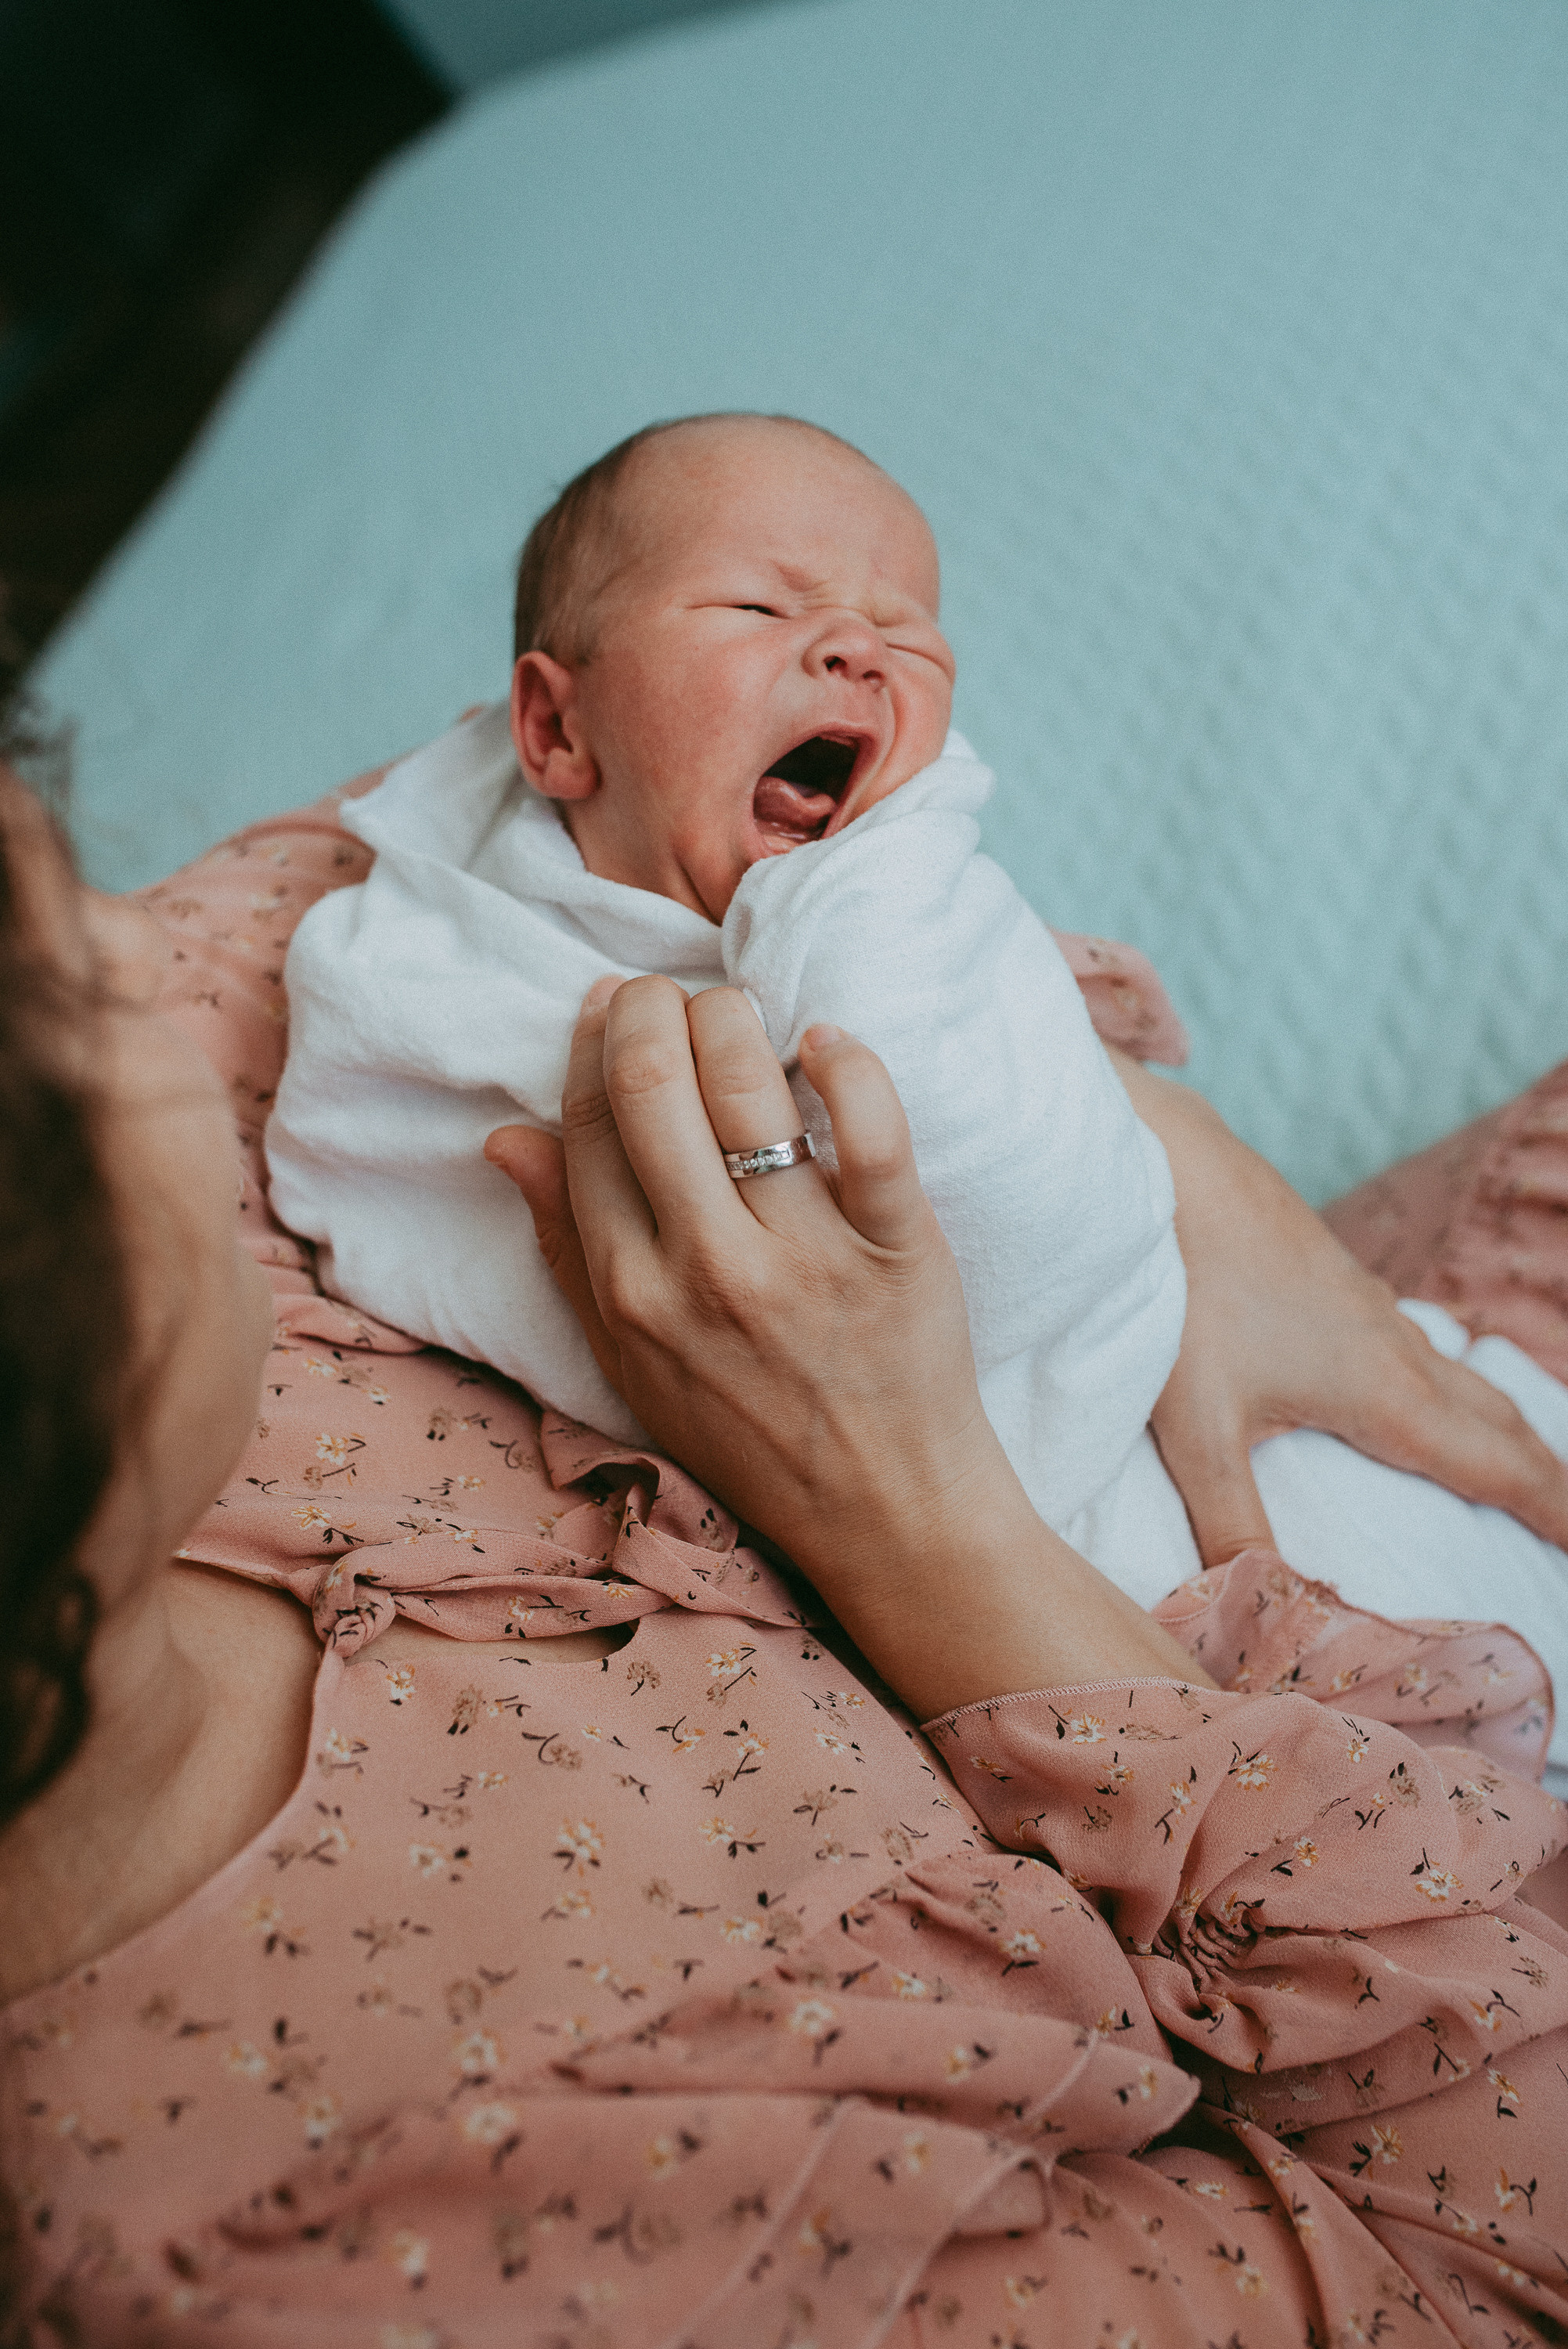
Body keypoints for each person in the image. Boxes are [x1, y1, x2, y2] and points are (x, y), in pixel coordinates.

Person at [2, 736, 1567, 2347]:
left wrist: (1122, 1161)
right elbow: (1496, 2247)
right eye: (55, 1002)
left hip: (1316, 1409)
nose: (125, 931)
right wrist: (916, 1519)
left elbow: (606, 792)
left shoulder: (187, 1028)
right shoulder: (424, 2257)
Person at [265, 413, 1568, 1763]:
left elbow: (1028, 1187)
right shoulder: (452, 962)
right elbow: (963, 1237)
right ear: (552, 725)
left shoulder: (904, 904)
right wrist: (870, 874)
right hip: (1119, 1580)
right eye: (761, 603)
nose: (855, 647)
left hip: (1250, 1424)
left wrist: (886, 861)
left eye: (910, 632)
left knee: (1489, 1482)